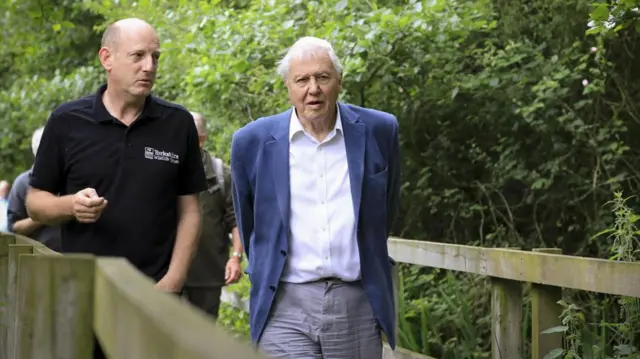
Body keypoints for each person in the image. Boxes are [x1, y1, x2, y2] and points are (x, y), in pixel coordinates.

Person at [230, 36, 402, 358]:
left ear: (339, 80)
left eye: (323, 77)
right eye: (302, 80)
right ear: (287, 85)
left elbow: (386, 208)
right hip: (284, 302)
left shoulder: (380, 129)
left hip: (356, 302)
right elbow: (248, 219)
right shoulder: (250, 141)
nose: (313, 89)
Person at [183, 111, 243, 319]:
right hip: (165, 272)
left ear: (200, 140)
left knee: (201, 341)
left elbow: (236, 221)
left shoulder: (221, 174)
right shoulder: (165, 169)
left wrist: (235, 257)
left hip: (206, 275)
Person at [7, 127, 61, 250]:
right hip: (38, 259)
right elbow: (14, 228)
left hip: (77, 258)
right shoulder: (23, 183)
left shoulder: (72, 179)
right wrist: (44, 214)